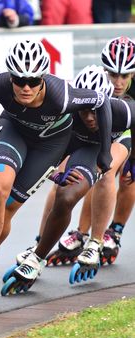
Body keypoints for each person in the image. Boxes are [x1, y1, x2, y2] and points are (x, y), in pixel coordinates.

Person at [0, 39, 112, 298]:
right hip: (14, 131)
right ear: (11, 77)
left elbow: (101, 101)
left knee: (8, 207)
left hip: (49, 146)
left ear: (43, 79)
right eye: (19, 80)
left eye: (34, 82)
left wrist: (105, 151)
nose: (26, 87)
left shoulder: (62, 95)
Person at [46, 36, 135, 266]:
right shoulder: (95, 85)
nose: (117, 81)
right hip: (101, 131)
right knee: (76, 175)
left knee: (122, 175)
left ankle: (113, 232)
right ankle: (75, 234)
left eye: (124, 76)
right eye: (112, 74)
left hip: (126, 130)